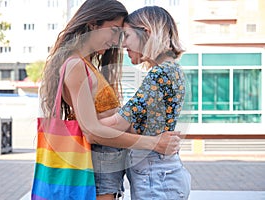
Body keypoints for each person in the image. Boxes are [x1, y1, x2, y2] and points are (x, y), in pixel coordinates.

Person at [38, 0, 181, 200]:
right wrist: (153, 143)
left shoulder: (85, 64)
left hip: (108, 166)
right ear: (93, 24)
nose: (117, 41)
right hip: (102, 167)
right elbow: (92, 131)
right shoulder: (75, 65)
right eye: (114, 30)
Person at [98, 6, 191, 200]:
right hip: (160, 176)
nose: (123, 45)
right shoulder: (170, 70)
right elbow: (135, 124)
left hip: (157, 179)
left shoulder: (161, 74)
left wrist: (84, 125)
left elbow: (119, 123)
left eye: (127, 36)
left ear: (146, 33)